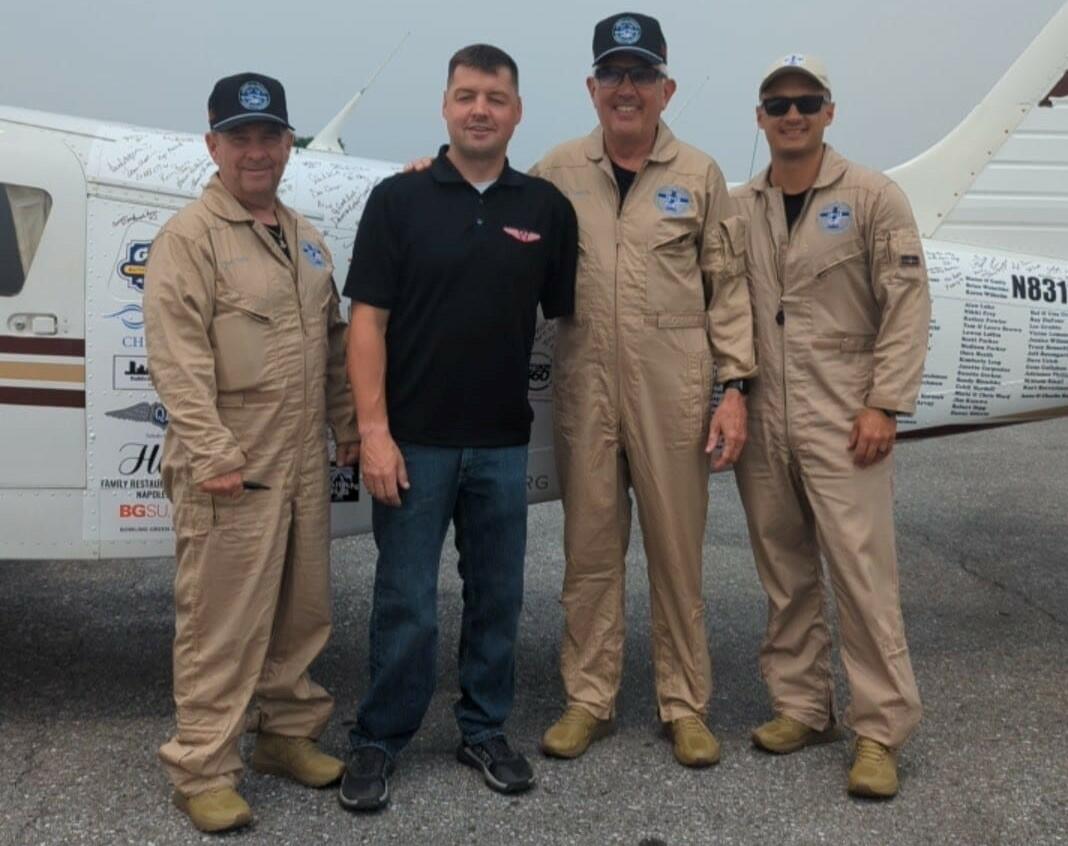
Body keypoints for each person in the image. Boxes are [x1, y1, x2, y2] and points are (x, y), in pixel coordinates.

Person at [337, 44, 578, 812]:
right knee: (406, 599)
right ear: (445, 106)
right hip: (414, 445)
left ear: (517, 112)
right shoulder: (397, 201)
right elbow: (366, 321)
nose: (481, 109)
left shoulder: (546, 210)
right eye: (467, 95)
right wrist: (373, 432)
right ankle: (378, 738)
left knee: (498, 596)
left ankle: (483, 728)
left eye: (496, 98)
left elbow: (565, 323)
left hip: (503, 444)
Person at [532, 13, 756, 768]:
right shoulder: (555, 172)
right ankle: (588, 699)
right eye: (613, 75)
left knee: (675, 552)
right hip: (585, 391)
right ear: (592, 88)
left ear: (667, 89)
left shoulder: (699, 176)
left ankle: (684, 704)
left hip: (674, 394)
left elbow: (728, 292)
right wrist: (422, 178)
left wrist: (734, 390)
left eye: (641, 75)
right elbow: (490, 228)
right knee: (589, 553)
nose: (626, 90)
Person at [144, 72, 359, 833]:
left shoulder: (304, 238)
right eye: (241, 137)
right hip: (231, 463)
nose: (257, 151)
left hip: (299, 457)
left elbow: (332, 346)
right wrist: (212, 453)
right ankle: (202, 767)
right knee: (221, 622)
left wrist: (349, 427)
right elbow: (176, 359)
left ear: (288, 145)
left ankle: (287, 736)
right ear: (213, 145)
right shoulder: (189, 239)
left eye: (271, 137)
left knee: (302, 613)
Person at [731, 54, 930, 798]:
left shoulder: (874, 196)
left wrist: (885, 402)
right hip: (765, 412)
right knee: (784, 573)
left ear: (828, 112)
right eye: (777, 104)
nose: (792, 114)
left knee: (862, 575)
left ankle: (879, 730)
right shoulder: (738, 203)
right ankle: (803, 706)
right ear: (759, 117)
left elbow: (907, 303)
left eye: (806, 102)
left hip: (846, 414)